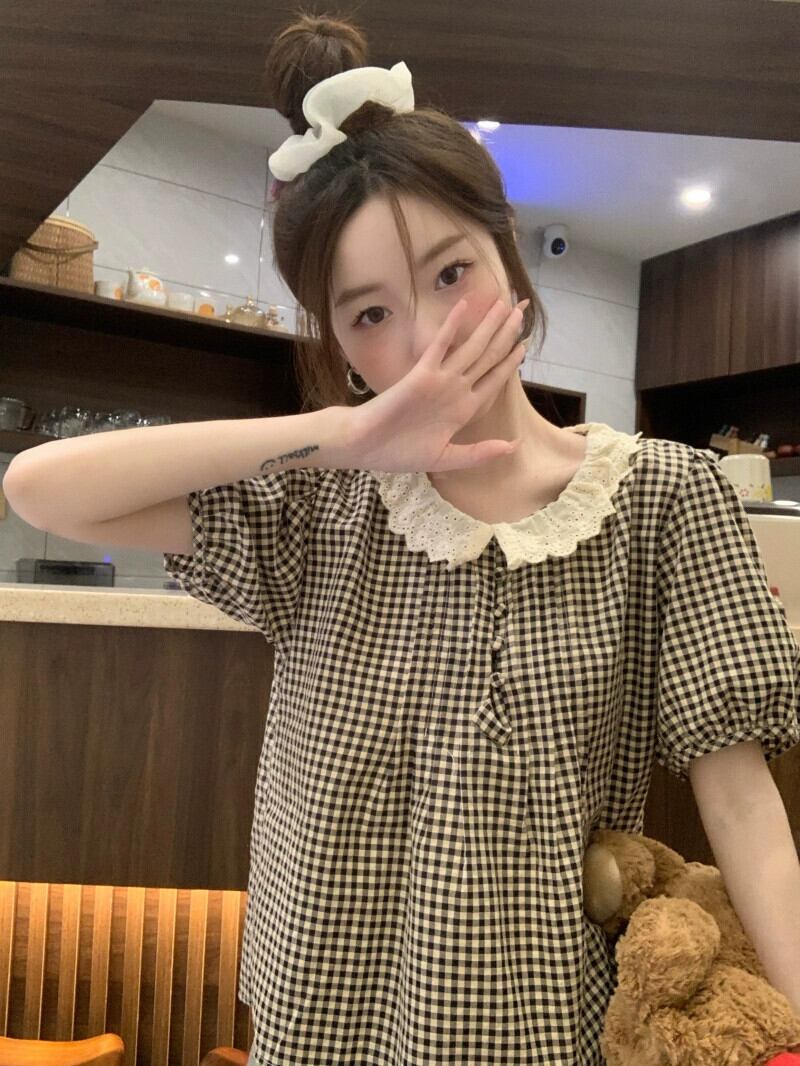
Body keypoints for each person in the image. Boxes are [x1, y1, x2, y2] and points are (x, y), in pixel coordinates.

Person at [5, 11, 798, 1066]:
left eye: (450, 273)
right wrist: (345, 434)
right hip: (319, 1011)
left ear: (507, 256)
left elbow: (740, 803)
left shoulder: (663, 497)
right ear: (338, 342)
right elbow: (41, 489)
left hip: (536, 1020)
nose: (423, 337)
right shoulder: (322, 502)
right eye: (368, 315)